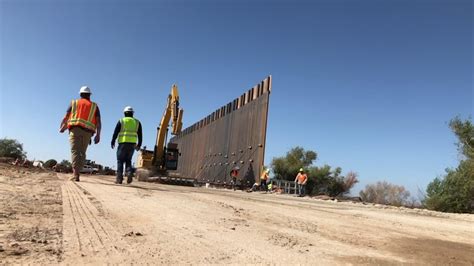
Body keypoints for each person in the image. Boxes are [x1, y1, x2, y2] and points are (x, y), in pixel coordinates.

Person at [60, 86, 101, 181]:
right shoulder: (94, 106)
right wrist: (98, 135)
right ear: (89, 95)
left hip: (75, 130)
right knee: (82, 153)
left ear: (80, 94)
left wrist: (62, 127)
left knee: (75, 151)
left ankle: (76, 174)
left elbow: (66, 117)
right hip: (87, 133)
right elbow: (99, 122)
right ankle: (78, 171)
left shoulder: (74, 103)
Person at [111, 106, 142, 184]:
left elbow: (115, 133)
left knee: (120, 160)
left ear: (124, 113)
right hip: (132, 144)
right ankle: (129, 173)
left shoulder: (121, 121)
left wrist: (113, 141)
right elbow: (140, 135)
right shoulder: (137, 122)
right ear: (132, 113)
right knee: (128, 160)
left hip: (122, 143)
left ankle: (119, 179)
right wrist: (139, 145)